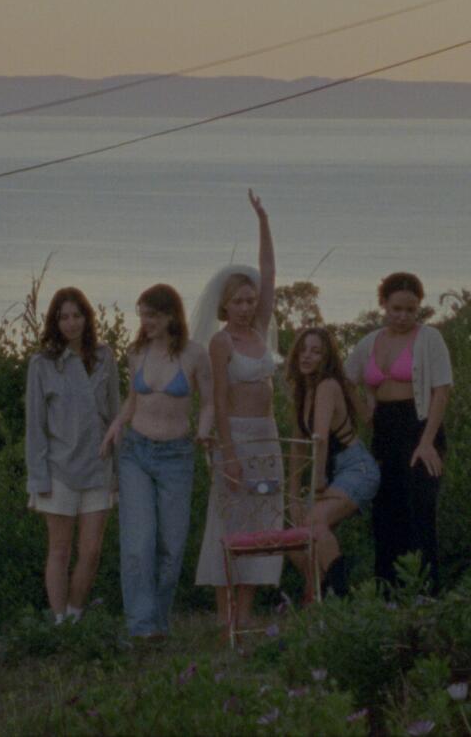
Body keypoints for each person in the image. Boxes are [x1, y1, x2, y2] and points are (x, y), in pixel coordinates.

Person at [192, 189, 283, 630]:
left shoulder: (262, 330)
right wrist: (227, 454)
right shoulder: (221, 342)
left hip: (268, 437)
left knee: (261, 525)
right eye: (240, 302)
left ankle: (245, 619)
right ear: (226, 305)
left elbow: (269, 271)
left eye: (251, 300)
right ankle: (225, 620)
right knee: (229, 526)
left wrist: (262, 221)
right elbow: (220, 403)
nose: (248, 307)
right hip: (237, 440)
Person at [101, 284, 213, 639]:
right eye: (143, 316)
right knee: (138, 543)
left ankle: (158, 622)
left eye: (152, 315)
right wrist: (117, 424)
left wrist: (205, 432)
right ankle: (141, 628)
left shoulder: (195, 355)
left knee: (170, 546)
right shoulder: (137, 352)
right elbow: (133, 401)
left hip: (176, 457)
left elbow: (209, 402)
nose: (145, 322)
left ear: (170, 316)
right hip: (136, 452)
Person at [345, 272, 452, 590]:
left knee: (420, 510)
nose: (403, 316)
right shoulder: (368, 343)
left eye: (410, 309)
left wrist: (428, 442)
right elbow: (346, 379)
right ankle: (387, 593)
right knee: (386, 513)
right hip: (385, 429)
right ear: (384, 305)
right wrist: (366, 414)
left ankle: (426, 593)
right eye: (397, 309)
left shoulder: (429, 339)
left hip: (420, 426)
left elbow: (441, 391)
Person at [25, 287, 120, 624]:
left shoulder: (105, 357)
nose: (70, 323)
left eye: (76, 315)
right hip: (58, 471)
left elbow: (116, 414)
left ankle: (76, 616)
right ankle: (60, 622)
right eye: (63, 317)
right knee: (60, 550)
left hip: (99, 467)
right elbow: (35, 426)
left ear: (86, 318)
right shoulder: (42, 365)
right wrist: (38, 479)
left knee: (91, 551)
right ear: (55, 321)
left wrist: (119, 471)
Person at [286, 327, 380, 599]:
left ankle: (342, 597)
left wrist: (316, 486)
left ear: (326, 358)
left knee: (315, 522)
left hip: (355, 468)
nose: (307, 356)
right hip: (329, 471)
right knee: (295, 540)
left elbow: (320, 440)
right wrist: (293, 495)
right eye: (303, 350)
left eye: (316, 352)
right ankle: (317, 600)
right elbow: (297, 446)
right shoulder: (303, 390)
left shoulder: (327, 386)